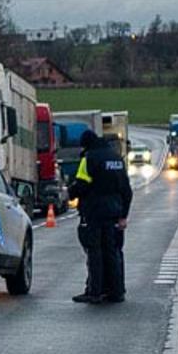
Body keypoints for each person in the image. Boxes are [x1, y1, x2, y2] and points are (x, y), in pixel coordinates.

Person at [67, 130, 132, 304]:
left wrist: (69, 193)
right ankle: (116, 291)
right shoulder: (116, 159)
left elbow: (82, 185)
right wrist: (123, 215)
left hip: (94, 212)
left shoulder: (89, 159)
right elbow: (127, 190)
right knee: (113, 251)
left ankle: (95, 291)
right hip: (115, 212)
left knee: (94, 251)